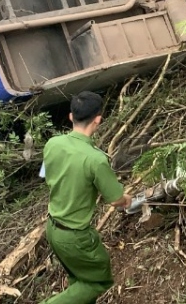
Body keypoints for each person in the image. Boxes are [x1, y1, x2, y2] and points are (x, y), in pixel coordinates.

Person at [41, 90, 132, 304]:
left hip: (53, 229)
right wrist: (127, 198)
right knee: (97, 282)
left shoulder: (52, 144)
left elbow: (45, 174)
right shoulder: (95, 160)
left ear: (71, 116)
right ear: (98, 120)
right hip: (76, 237)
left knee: (79, 280)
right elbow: (116, 200)